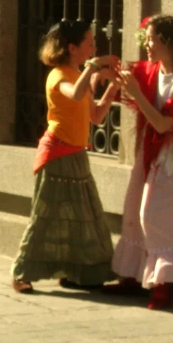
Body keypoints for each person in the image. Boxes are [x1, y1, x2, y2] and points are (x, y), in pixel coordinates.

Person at [104, 14, 173, 308]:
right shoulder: (152, 71)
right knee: (133, 210)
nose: (146, 44)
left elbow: (163, 125)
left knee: (155, 217)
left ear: (169, 42)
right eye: (147, 38)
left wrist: (137, 94)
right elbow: (124, 84)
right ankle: (132, 276)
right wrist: (101, 73)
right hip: (150, 154)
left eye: (151, 38)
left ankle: (162, 285)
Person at [12, 19, 121, 293]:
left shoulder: (76, 74)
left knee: (83, 216)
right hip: (57, 153)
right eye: (89, 43)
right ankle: (22, 272)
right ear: (72, 48)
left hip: (76, 154)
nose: (94, 47)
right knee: (45, 214)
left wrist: (113, 87)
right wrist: (94, 68)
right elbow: (74, 95)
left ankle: (77, 273)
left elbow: (95, 116)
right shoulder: (58, 75)